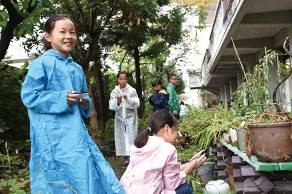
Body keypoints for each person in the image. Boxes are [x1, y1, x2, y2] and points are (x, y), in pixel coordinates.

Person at [21, 14, 124, 194]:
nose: (69, 36)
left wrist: (84, 103)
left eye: (73, 32)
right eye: (62, 32)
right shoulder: (40, 64)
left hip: (75, 133)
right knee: (56, 176)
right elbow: (29, 96)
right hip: (51, 135)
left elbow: (86, 98)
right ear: (48, 36)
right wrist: (62, 98)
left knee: (85, 170)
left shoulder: (76, 68)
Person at [120, 109, 206, 194]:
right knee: (185, 187)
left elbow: (164, 170)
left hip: (125, 190)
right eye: (176, 130)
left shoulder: (142, 143)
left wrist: (189, 163)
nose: (177, 135)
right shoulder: (167, 148)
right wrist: (190, 167)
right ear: (167, 128)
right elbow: (172, 184)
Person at [109, 71, 140, 166]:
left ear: (127, 79)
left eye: (125, 79)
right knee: (123, 137)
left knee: (131, 136)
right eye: (120, 79)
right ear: (117, 79)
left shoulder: (132, 90)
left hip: (130, 118)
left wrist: (127, 99)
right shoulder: (114, 91)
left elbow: (137, 103)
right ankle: (126, 157)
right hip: (119, 118)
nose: (122, 81)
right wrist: (117, 101)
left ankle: (133, 157)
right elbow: (111, 106)